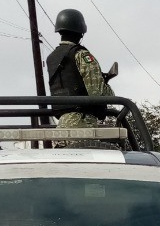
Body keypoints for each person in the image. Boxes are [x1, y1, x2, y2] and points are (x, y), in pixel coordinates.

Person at [45, 9, 114, 137]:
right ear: (81, 32)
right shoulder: (82, 55)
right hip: (83, 124)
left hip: (62, 125)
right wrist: (109, 90)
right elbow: (98, 93)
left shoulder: (51, 58)